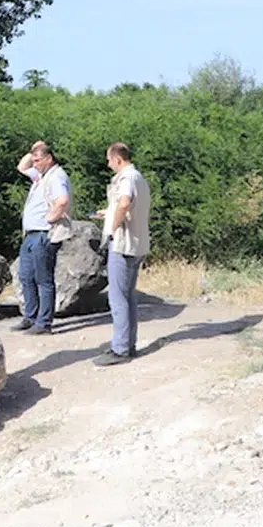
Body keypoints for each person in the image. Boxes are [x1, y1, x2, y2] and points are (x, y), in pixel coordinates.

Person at [92, 142, 151, 366]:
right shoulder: (139, 178)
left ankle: (120, 349)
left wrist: (113, 226)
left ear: (117, 159)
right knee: (128, 296)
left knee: (117, 297)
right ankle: (128, 344)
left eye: (109, 160)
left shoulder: (126, 178)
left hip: (123, 245)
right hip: (138, 244)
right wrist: (109, 212)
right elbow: (129, 206)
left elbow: (124, 203)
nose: (108, 165)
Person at [12, 141, 72, 336]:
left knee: (43, 279)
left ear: (49, 159)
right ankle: (30, 317)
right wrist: (34, 148)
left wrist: (50, 218)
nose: (34, 163)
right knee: (26, 276)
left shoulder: (56, 176)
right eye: (34, 160)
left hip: (44, 234)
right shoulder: (41, 175)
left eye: (38, 160)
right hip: (31, 235)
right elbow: (21, 167)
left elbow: (63, 200)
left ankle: (44, 323)